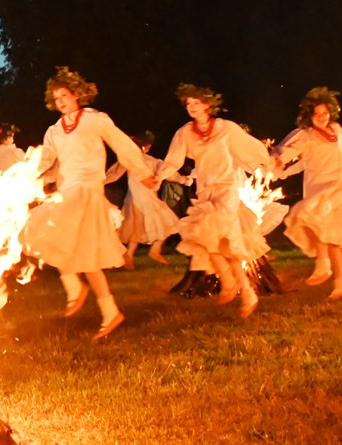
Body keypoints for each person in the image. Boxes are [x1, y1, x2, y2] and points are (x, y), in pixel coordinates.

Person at [23, 67, 156, 340]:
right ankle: (106, 310)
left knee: (65, 241)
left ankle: (78, 290)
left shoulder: (95, 120)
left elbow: (123, 146)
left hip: (87, 190)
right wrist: (30, 180)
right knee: (63, 244)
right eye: (56, 97)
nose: (60, 100)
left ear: (76, 94)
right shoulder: (54, 131)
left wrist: (143, 173)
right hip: (66, 191)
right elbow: (49, 163)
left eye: (65, 94)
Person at [153, 84, 277, 318]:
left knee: (220, 235)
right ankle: (242, 289)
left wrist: (269, 161)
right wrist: (158, 178)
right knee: (206, 239)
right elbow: (173, 161)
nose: (191, 107)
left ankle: (234, 285)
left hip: (226, 190)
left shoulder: (225, 128)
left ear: (208, 105)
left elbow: (250, 146)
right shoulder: (184, 133)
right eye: (188, 104)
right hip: (206, 192)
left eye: (196, 103)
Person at [272, 88, 342, 300]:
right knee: (326, 234)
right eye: (317, 114)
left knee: (326, 231)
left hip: (338, 186)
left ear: (331, 112)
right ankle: (340, 282)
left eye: (325, 113)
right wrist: (279, 161)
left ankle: (325, 267)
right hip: (317, 188)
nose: (322, 117)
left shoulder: (338, 131)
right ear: (309, 116)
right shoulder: (306, 136)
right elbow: (288, 152)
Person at [103, 131, 183, 269]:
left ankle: (132, 254)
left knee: (136, 228)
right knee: (169, 223)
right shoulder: (149, 161)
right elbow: (169, 172)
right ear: (145, 147)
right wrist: (183, 179)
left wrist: (100, 181)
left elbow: (113, 174)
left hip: (134, 198)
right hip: (146, 198)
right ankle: (153, 250)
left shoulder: (129, 161)